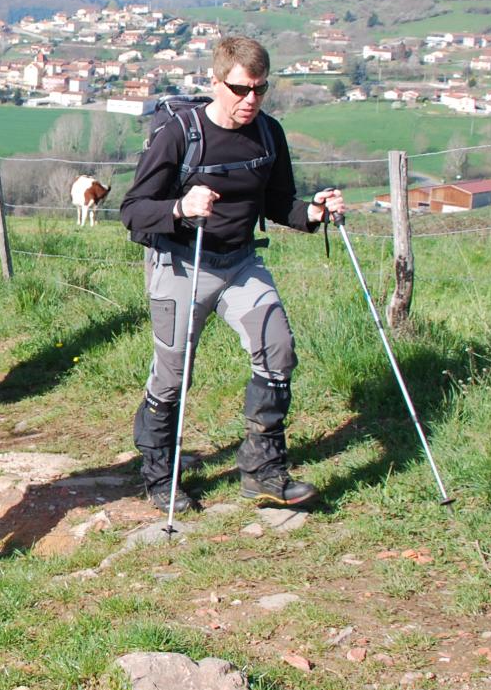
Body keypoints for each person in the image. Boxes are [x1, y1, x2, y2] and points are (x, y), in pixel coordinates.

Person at [117, 36, 345, 511]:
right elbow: (133, 210)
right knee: (173, 375)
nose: (251, 100)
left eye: (260, 90)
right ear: (215, 82)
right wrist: (181, 206)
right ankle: (161, 475)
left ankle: (263, 470)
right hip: (181, 264)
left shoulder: (268, 133)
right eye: (241, 89)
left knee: (278, 350)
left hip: (239, 262)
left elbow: (280, 203)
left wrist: (316, 213)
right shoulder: (180, 133)